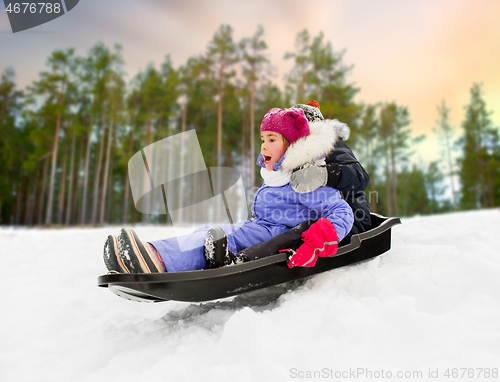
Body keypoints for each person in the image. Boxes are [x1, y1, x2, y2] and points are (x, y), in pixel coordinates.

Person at [103, 107, 354, 273]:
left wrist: (320, 237)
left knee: (223, 239)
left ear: (291, 146)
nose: (264, 146)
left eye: (272, 139)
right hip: (262, 228)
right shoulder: (277, 176)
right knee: (209, 231)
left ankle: (156, 261)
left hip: (279, 237)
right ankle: (149, 251)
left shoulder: (302, 180)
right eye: (263, 139)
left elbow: (341, 212)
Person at [235, 101, 371, 262]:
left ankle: (249, 258)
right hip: (317, 214)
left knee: (303, 230)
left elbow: (359, 176)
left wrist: (325, 174)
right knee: (284, 228)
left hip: (348, 220)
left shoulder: (331, 145)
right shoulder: (297, 152)